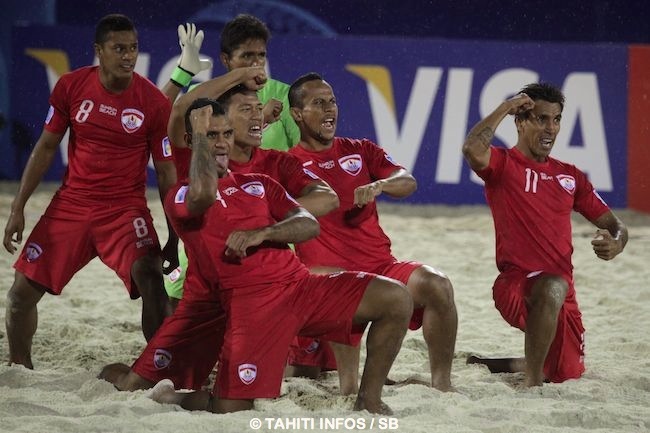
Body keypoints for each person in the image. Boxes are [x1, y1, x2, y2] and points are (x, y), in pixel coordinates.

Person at [100, 98, 413, 415]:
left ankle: (369, 399)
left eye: (226, 134)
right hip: (250, 307)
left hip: (300, 288)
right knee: (226, 407)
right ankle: (168, 397)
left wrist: (265, 232)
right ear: (192, 141)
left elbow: (308, 223)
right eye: (211, 135)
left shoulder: (259, 184)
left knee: (396, 299)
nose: (221, 143)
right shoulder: (180, 195)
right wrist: (199, 139)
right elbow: (204, 193)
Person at [2, 14, 176, 369]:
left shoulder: (154, 102)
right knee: (19, 297)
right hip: (72, 205)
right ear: (99, 50)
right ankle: (20, 368)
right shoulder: (71, 85)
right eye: (119, 48)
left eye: (133, 48)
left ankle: (160, 371)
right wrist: (18, 207)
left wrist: (174, 236)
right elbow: (46, 146)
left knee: (151, 278)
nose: (128, 56)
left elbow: (167, 174)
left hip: (125, 211)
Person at [285, 73, 458, 393]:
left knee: (438, 284)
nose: (329, 109)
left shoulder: (360, 149)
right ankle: (352, 388)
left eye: (332, 101)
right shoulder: (288, 165)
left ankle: (442, 386)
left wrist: (381, 185)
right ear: (297, 114)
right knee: (306, 367)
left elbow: (408, 181)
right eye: (318, 103)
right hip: (326, 275)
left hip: (381, 267)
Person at [461, 82, 628, 386]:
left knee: (566, 373)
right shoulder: (503, 164)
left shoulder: (570, 176)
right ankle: (532, 384)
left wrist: (616, 242)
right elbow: (472, 149)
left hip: (563, 295)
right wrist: (506, 106)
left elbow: (616, 225)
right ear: (520, 122)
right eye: (541, 119)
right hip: (516, 285)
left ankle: (502, 364)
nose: (551, 128)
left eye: (556, 119)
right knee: (552, 286)